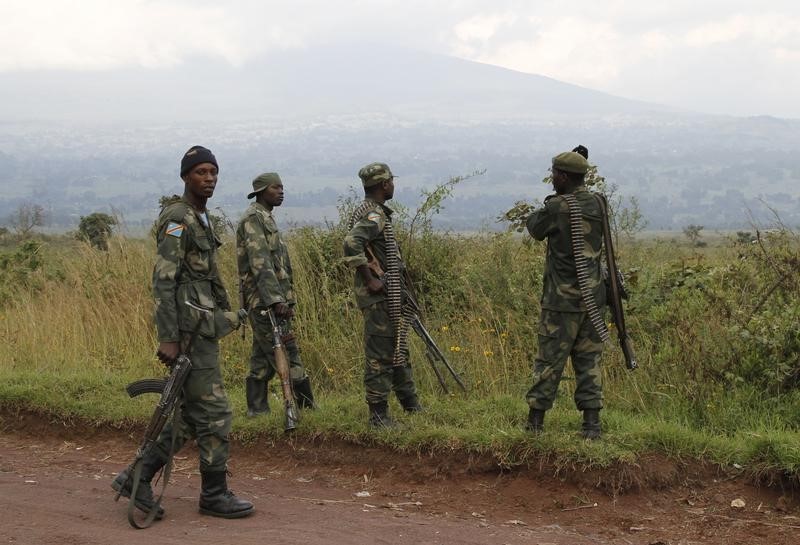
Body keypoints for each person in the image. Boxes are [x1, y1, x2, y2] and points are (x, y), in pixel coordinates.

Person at [112, 145, 254, 519]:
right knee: (215, 411)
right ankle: (213, 495)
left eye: (213, 172)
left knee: (193, 415)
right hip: (189, 330)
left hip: (203, 325)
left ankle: (136, 477)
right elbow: (163, 280)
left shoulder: (199, 216)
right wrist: (168, 336)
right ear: (185, 176)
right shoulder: (177, 217)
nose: (209, 179)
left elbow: (204, 275)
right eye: (200, 172)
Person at [524, 147, 606, 440]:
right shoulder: (598, 203)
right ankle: (592, 427)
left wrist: (552, 200)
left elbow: (535, 227)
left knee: (548, 362)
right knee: (589, 362)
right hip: (594, 300)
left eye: (555, 174)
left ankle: (534, 425)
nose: (552, 178)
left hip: (562, 302)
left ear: (563, 176)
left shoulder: (559, 207)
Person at [343, 162, 422, 428]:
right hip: (379, 298)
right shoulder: (374, 215)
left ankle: (411, 405)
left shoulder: (373, 211)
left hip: (388, 295)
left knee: (396, 348)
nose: (393, 186)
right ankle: (378, 416)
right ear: (384, 184)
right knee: (380, 355)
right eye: (391, 181)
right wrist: (370, 279)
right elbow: (351, 242)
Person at [236, 172, 315, 417]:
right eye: (275, 188)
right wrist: (276, 299)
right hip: (264, 302)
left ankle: (257, 410)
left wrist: (286, 297)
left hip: (269, 301)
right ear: (261, 191)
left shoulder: (265, 217)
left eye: (282, 187)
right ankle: (306, 407)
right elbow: (260, 262)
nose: (281, 191)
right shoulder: (253, 218)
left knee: (262, 355)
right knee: (287, 351)